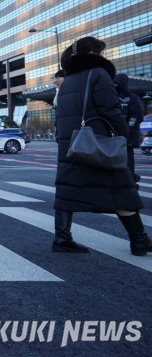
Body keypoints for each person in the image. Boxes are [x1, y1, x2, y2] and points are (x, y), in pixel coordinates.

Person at [53, 37, 150, 256]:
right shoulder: (98, 74)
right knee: (120, 189)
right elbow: (110, 109)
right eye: (101, 52)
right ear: (94, 54)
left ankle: (62, 237)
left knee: (68, 190)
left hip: (73, 144)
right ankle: (139, 239)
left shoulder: (69, 80)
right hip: (98, 142)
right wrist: (123, 135)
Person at [113, 73, 144, 186]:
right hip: (114, 137)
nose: (114, 86)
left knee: (128, 163)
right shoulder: (112, 97)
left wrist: (128, 129)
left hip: (128, 138)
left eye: (116, 83)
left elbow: (136, 116)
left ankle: (131, 183)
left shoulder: (133, 98)